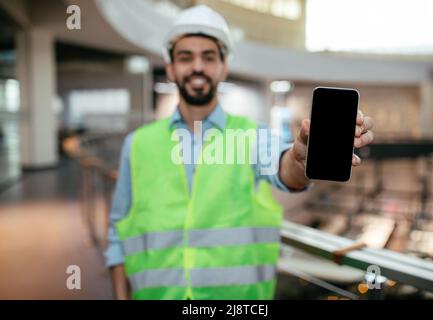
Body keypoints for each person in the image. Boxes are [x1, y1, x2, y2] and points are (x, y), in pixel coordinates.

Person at [104, 5, 374, 300]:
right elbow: (120, 232)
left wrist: (300, 160)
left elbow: (286, 170)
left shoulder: (252, 135)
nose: (197, 66)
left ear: (223, 66)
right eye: (185, 57)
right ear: (170, 68)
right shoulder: (138, 144)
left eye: (208, 57)